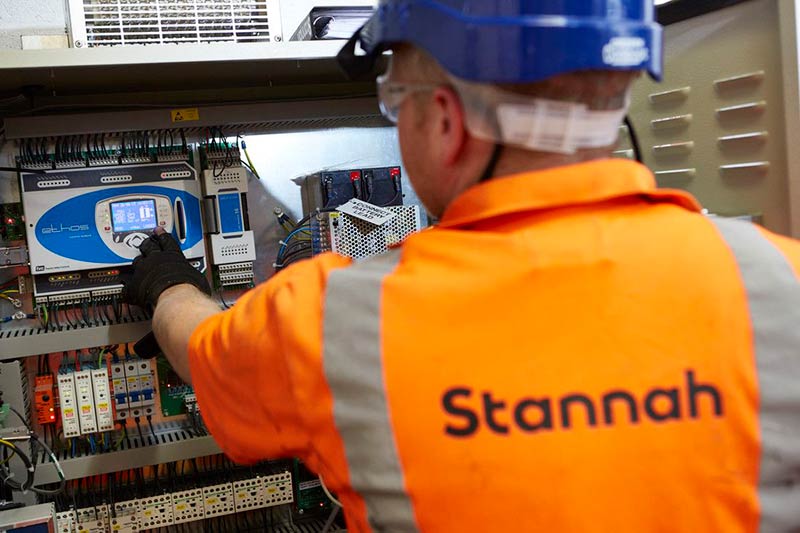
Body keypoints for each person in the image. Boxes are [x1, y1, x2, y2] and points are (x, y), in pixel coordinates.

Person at [127, 1, 800, 531]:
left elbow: (202, 352)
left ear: (447, 122)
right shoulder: (781, 282)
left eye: (399, 106)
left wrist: (166, 280)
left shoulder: (338, 323)